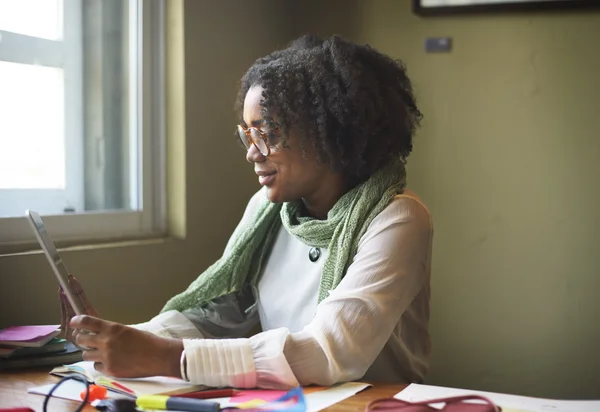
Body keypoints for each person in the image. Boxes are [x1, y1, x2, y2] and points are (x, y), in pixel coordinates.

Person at [70, 34, 433, 389]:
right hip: (302, 403)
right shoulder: (265, 209)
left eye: (268, 135)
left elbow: (328, 351)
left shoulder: (397, 219)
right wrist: (121, 340)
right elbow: (228, 313)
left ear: (330, 135)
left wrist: (168, 358)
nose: (252, 153)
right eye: (248, 135)